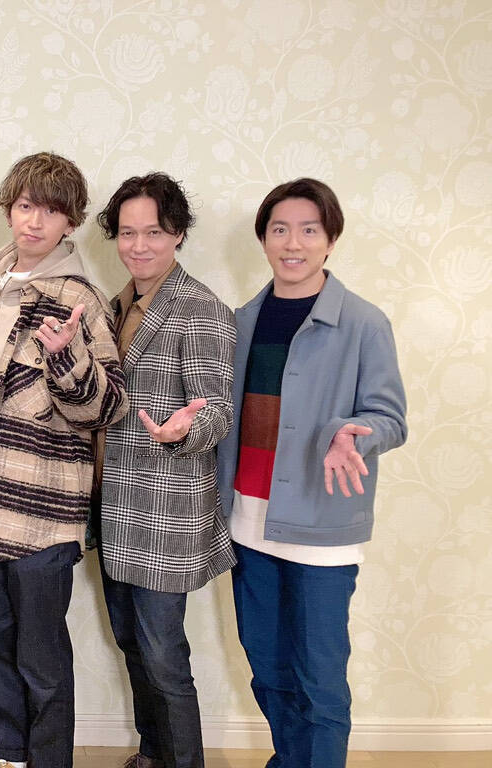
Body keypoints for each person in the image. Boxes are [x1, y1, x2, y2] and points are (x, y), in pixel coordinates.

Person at [0, 151, 128, 768]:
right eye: (24, 206)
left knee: (41, 656)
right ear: (9, 210)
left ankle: (49, 761)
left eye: (51, 211)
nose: (35, 221)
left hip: (44, 512)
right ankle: (11, 755)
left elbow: (107, 408)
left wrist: (66, 357)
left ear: (71, 221)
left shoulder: (80, 301)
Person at [216, 178, 408, 768]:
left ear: (330, 240)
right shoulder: (242, 322)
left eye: (308, 230)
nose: (292, 243)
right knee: (269, 670)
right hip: (249, 524)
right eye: (280, 229)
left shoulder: (364, 323)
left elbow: (390, 418)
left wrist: (354, 432)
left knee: (319, 681)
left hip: (322, 530)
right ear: (264, 239)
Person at [94, 173, 237, 768]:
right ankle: (152, 754)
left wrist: (185, 431)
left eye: (153, 232)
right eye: (128, 233)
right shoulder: (114, 306)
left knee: (164, 657)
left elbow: (218, 408)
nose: (139, 245)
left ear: (177, 234)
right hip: (113, 507)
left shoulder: (201, 309)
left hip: (164, 510)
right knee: (131, 643)